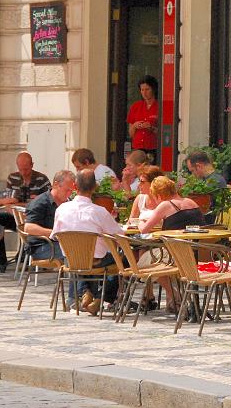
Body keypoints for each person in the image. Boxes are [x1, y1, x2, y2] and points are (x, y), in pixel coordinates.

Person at [50, 169, 125, 314]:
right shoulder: (100, 212)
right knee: (122, 259)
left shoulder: (62, 209)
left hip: (71, 260)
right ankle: (101, 298)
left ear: (74, 186)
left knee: (82, 256)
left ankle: (85, 292)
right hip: (96, 260)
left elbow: (54, 235)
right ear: (94, 187)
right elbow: (119, 236)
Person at [136, 175, 205, 313]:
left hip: (176, 253)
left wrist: (139, 222)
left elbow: (144, 229)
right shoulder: (191, 202)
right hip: (197, 251)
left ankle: (174, 294)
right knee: (156, 258)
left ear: (159, 194)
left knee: (146, 261)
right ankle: (172, 300)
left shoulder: (166, 205)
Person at [0, 152, 51, 272]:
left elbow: (48, 202)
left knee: (31, 224)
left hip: (35, 219)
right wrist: (28, 204)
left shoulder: (42, 179)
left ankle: (26, 259)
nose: (23, 172)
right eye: (20, 169)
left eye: (26, 169)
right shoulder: (13, 178)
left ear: (32, 165)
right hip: (16, 216)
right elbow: (8, 202)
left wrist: (21, 205)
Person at [22, 170, 77, 263]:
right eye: (67, 190)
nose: (69, 194)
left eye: (71, 191)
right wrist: (55, 234)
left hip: (62, 244)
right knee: (76, 251)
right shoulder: (40, 202)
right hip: (41, 246)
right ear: (55, 185)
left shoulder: (69, 203)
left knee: (87, 249)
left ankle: (83, 276)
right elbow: (28, 228)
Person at [127, 75, 159, 161]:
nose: (144, 93)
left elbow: (165, 133)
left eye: (147, 89)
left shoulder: (160, 107)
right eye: (142, 90)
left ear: (153, 89)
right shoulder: (135, 106)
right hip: (137, 148)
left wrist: (151, 128)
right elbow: (130, 133)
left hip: (153, 148)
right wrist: (134, 126)